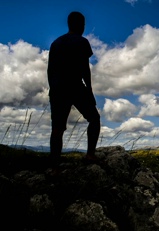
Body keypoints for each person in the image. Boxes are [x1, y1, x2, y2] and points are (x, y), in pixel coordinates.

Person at [47, 11, 100, 164]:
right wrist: (89, 90)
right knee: (94, 119)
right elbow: (85, 68)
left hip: (58, 89)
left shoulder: (56, 43)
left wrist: (53, 88)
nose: (83, 27)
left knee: (57, 128)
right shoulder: (82, 42)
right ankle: (90, 155)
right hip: (76, 86)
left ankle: (55, 167)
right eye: (83, 24)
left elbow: (50, 70)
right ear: (80, 25)